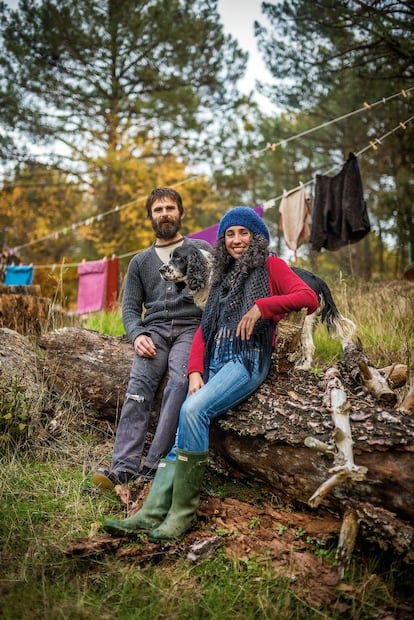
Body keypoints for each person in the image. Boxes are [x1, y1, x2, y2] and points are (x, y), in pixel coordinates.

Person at [102, 207, 319, 538]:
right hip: (216, 360)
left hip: (246, 359)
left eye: (243, 233)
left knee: (192, 409)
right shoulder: (221, 276)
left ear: (257, 237)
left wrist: (263, 307)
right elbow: (205, 330)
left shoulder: (272, 266)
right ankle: (151, 513)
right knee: (180, 434)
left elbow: (308, 296)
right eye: (230, 234)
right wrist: (194, 371)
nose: (236, 240)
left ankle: (182, 514)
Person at [92, 187, 211, 489]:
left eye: (170, 208)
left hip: (190, 328)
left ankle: (154, 464)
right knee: (138, 389)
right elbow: (131, 308)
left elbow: (216, 290)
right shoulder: (139, 262)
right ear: (150, 217)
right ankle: (122, 468)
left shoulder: (199, 247)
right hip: (154, 332)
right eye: (158, 210)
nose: (165, 214)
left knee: (179, 383)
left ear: (181, 213)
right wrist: (136, 335)